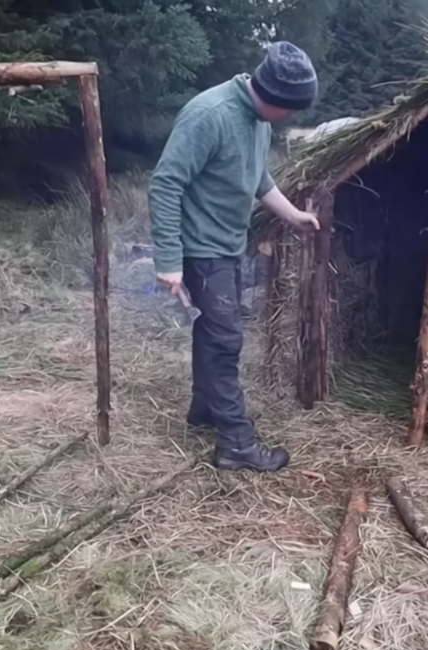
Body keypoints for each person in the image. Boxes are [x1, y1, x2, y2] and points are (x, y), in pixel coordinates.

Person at [147, 41, 320, 472]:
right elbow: (165, 184)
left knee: (212, 336)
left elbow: (257, 178)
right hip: (201, 251)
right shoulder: (211, 115)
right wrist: (168, 259)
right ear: (277, 100)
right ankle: (237, 445)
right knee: (225, 344)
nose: (294, 118)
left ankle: (205, 409)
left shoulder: (259, 121)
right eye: (293, 110)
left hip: (227, 246)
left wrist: (294, 215)